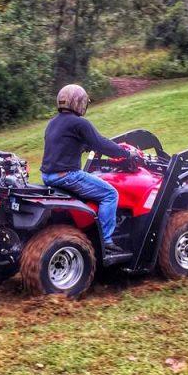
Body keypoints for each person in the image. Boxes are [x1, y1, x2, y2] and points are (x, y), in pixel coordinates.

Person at [40, 84, 132, 253]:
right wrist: (126, 154)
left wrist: (83, 146)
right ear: (79, 102)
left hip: (47, 176)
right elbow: (101, 143)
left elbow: (64, 145)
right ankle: (107, 241)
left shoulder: (52, 123)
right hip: (67, 175)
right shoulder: (80, 123)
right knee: (110, 194)